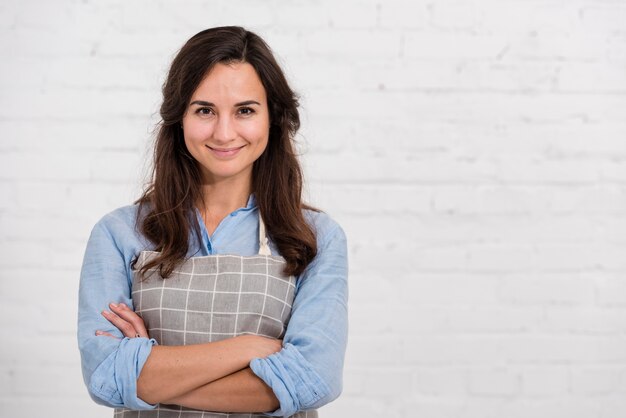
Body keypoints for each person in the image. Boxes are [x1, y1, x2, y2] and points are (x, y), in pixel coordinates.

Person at [77, 26, 348, 418]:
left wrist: (148, 374)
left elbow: (312, 381)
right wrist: (250, 348)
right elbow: (105, 378)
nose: (224, 133)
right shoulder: (119, 234)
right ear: (179, 118)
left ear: (273, 118)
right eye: (204, 110)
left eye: (245, 110)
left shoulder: (315, 238)